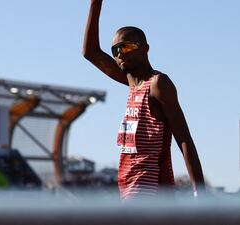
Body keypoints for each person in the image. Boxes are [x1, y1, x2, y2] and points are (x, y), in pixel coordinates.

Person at [82, 0, 206, 200]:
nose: (121, 53)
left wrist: (200, 192)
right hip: (128, 188)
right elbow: (90, 52)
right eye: (116, 50)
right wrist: (95, 4)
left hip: (149, 189)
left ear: (145, 49)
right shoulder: (133, 84)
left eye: (127, 46)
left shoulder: (158, 84)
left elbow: (184, 139)